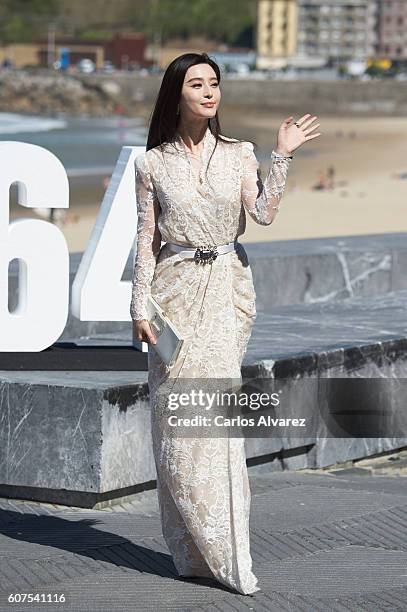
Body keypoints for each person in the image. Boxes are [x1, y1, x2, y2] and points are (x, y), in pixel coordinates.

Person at [130, 52, 321, 595]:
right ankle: (190, 549)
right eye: (197, 84)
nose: (210, 91)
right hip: (174, 294)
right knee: (174, 424)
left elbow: (261, 215)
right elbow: (146, 240)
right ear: (176, 94)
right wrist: (140, 307)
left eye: (215, 83)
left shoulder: (239, 154)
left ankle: (230, 553)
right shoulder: (151, 164)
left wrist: (281, 157)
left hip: (225, 293)